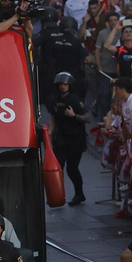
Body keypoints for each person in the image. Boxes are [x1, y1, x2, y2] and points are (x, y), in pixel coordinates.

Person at [48, 71, 89, 204]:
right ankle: (58, 196)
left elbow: (87, 117)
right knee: (58, 168)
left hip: (75, 139)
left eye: (65, 84)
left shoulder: (75, 100)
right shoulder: (55, 100)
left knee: (72, 168)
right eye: (60, 84)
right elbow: (53, 118)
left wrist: (74, 116)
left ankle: (79, 194)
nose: (62, 87)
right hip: (60, 138)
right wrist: (48, 134)